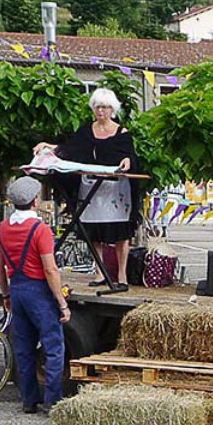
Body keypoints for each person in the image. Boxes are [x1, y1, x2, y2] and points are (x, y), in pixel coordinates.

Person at [33, 88, 141, 293]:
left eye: (105, 107)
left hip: (114, 189)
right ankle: (99, 272)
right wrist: (48, 146)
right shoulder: (85, 131)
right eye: (98, 107)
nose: (101, 111)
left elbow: (131, 156)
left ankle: (121, 275)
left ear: (112, 109)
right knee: (93, 231)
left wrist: (127, 160)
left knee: (120, 232)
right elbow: (70, 150)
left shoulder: (122, 133)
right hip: (91, 185)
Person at [0, 176, 70, 414]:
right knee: (54, 346)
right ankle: (53, 399)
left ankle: (29, 400)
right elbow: (50, 269)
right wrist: (62, 303)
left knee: (24, 348)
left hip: (16, 288)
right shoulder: (40, 229)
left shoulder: (2, 228)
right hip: (38, 291)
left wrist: (5, 294)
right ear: (35, 201)